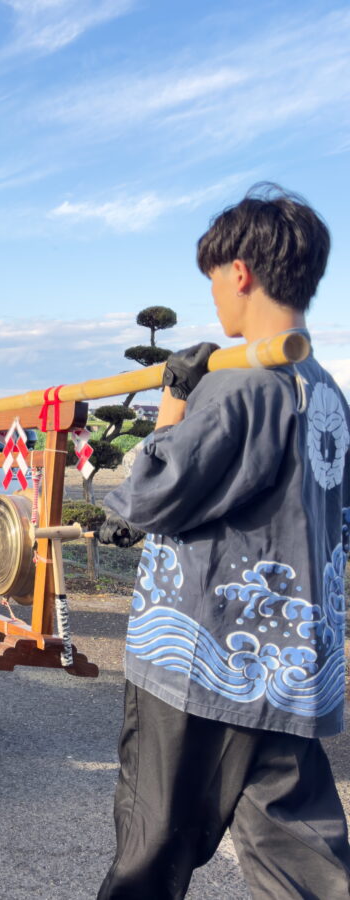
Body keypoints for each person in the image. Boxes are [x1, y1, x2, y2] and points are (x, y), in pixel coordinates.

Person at [94, 186, 350, 898]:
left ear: (240, 271)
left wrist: (174, 403)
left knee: (151, 856)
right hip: (297, 666)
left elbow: (149, 494)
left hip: (202, 659)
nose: (215, 300)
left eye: (213, 280)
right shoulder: (328, 392)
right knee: (304, 868)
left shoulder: (239, 386)